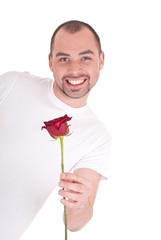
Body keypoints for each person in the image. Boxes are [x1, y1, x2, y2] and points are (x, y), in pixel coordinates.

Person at [0, 20, 111, 239]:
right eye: (64, 58)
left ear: (101, 60)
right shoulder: (13, 83)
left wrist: (79, 204)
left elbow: (76, 223)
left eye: (85, 57)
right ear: (51, 62)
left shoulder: (97, 137)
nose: (74, 69)